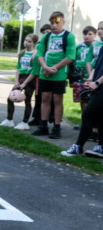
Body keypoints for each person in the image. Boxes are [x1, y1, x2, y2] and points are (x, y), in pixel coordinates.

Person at [25, 11, 76, 139]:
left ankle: (57, 128)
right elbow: (40, 54)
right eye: (52, 23)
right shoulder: (46, 37)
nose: (53, 25)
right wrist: (45, 68)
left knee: (57, 100)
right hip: (45, 73)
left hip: (59, 74)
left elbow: (70, 57)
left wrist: (54, 68)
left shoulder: (69, 37)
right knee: (45, 98)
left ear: (63, 21)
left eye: (56, 22)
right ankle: (44, 126)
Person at [60, 43, 103, 157]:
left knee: (87, 115)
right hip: (98, 87)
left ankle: (78, 147)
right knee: (99, 116)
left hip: (101, 88)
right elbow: (98, 65)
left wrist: (98, 82)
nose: (100, 31)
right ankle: (101, 147)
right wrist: (91, 79)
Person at [0, 33, 38, 129]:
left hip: (30, 79)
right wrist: (16, 81)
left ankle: (25, 123)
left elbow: (34, 71)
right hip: (21, 77)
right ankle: (9, 120)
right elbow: (18, 67)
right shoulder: (22, 53)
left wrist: (25, 83)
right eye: (25, 40)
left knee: (27, 100)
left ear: (34, 43)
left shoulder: (36, 54)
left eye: (29, 41)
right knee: (10, 98)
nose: (26, 43)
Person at [70, 26, 97, 123]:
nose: (87, 36)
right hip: (79, 77)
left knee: (91, 101)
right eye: (85, 34)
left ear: (95, 35)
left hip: (91, 76)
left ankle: (93, 125)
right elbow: (73, 60)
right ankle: (84, 122)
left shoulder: (96, 47)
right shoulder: (79, 47)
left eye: (90, 34)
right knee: (83, 100)